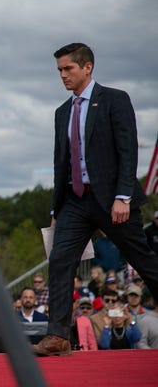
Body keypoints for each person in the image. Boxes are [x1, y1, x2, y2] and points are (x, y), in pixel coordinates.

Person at [34, 43, 158, 357]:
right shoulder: (62, 112)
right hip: (74, 202)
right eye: (59, 70)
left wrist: (123, 196)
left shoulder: (115, 99)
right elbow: (60, 163)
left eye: (68, 69)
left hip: (113, 200)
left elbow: (128, 150)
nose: (62, 75)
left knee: (143, 260)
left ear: (87, 67)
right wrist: (55, 209)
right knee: (60, 261)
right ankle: (58, 337)